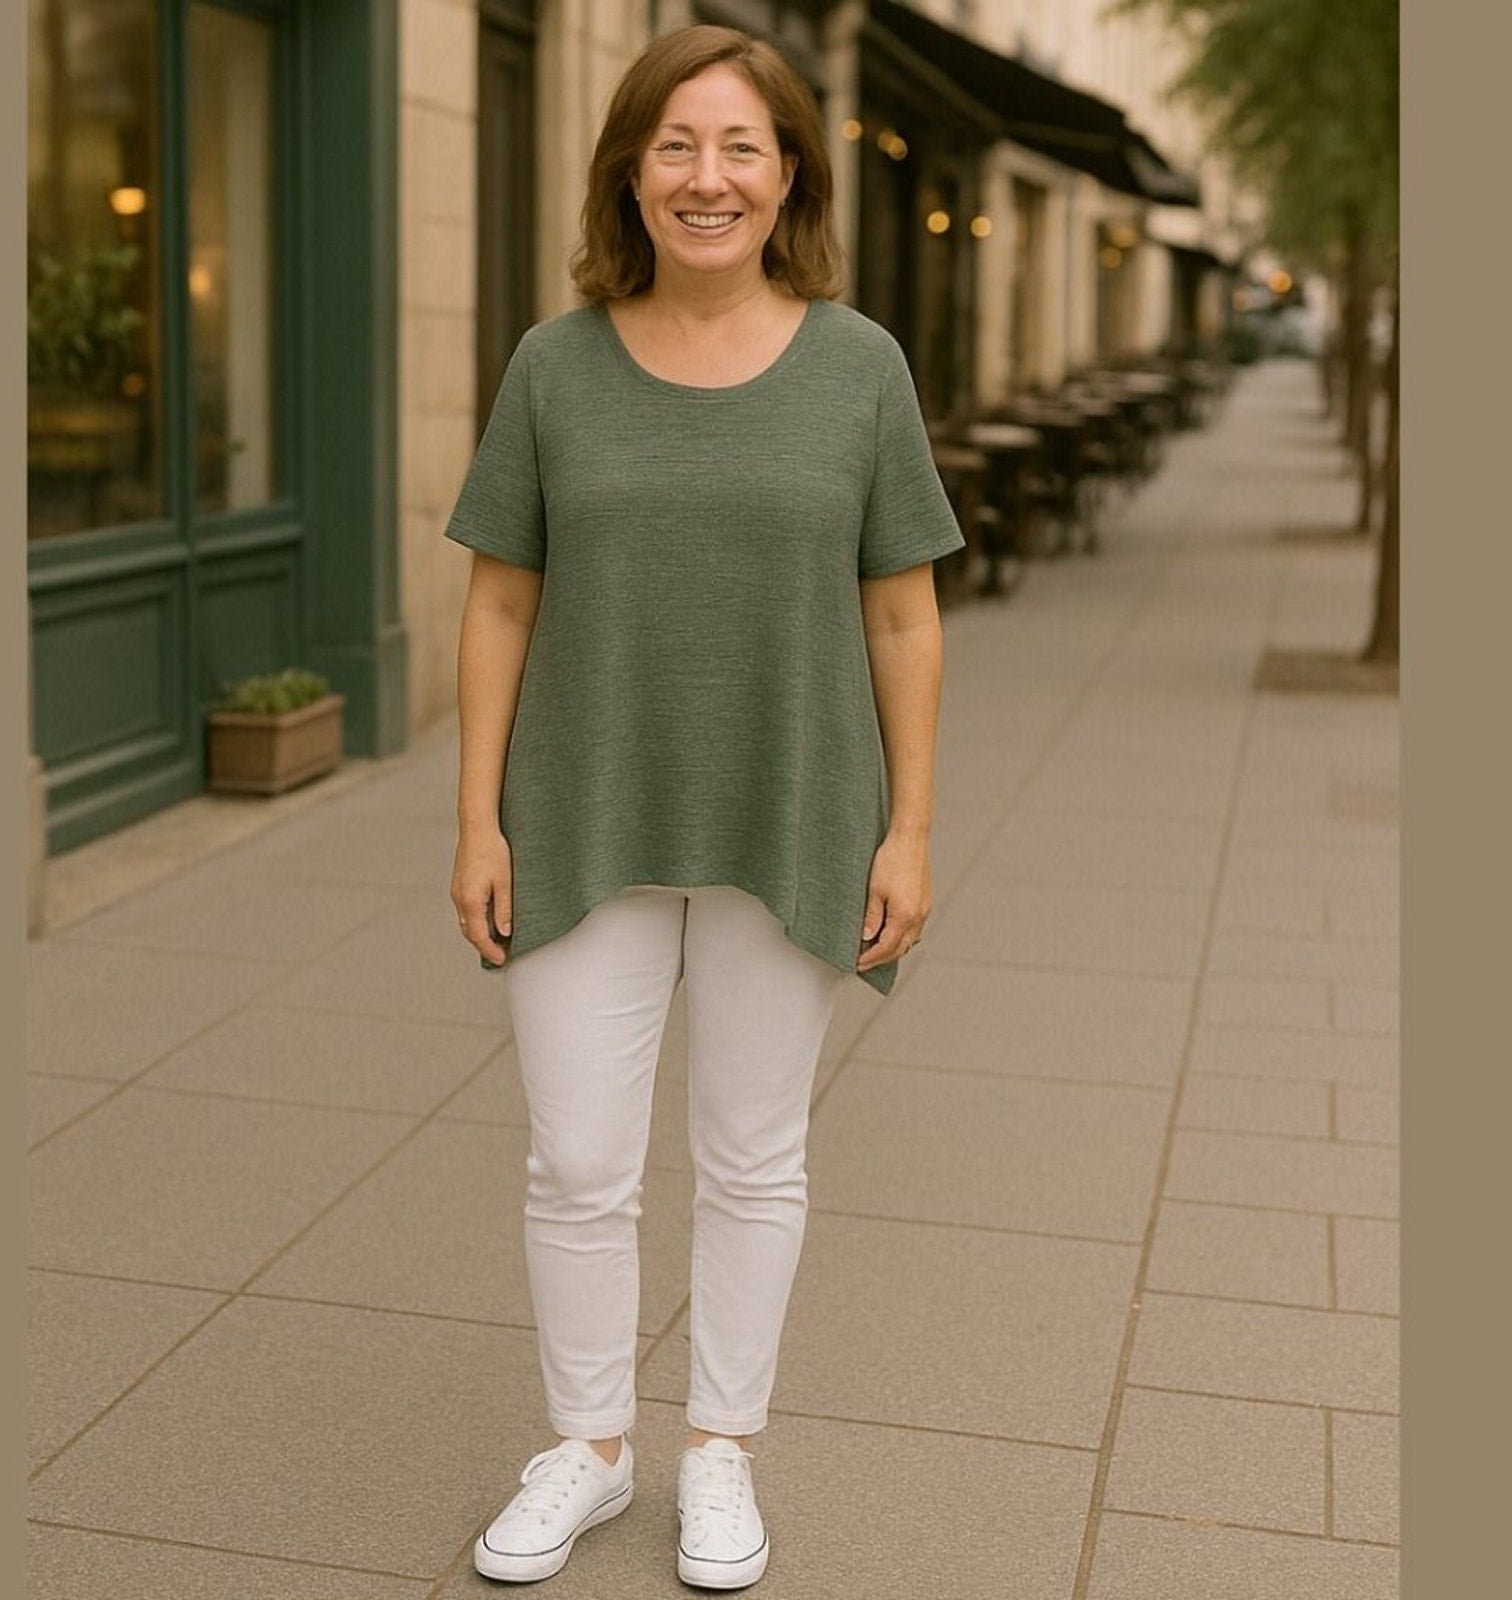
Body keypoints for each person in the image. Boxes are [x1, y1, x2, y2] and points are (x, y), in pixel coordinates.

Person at [444, 23, 964, 1589]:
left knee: (753, 1158)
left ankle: (719, 1451)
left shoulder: (860, 366)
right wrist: (476, 820)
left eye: (740, 146)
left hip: (791, 806)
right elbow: (497, 605)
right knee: (578, 1159)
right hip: (581, 808)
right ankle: (592, 1449)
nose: (707, 176)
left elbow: (903, 616)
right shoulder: (557, 362)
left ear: (787, 171)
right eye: (675, 145)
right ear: (630, 172)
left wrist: (913, 826)